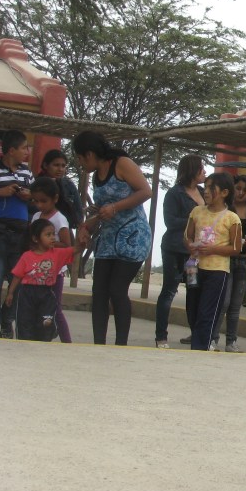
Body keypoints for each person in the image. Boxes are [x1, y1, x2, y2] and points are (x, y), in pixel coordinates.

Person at [74, 131, 153, 346]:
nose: (80, 164)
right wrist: (87, 226)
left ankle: (121, 344)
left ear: (89, 154)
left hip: (132, 237)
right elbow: (102, 211)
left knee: (117, 289)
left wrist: (115, 207)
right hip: (108, 238)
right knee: (99, 290)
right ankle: (98, 342)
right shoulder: (95, 175)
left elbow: (146, 191)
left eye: (80, 158)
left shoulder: (122, 163)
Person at [0, 130, 33, 338]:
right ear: (11, 150)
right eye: (23, 148)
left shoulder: (26, 173)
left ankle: (7, 323)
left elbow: (35, 198)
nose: (27, 152)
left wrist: (28, 195)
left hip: (19, 236)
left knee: (17, 282)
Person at [184, 172, 242, 351]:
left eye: (211, 188)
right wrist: (190, 246)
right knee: (192, 309)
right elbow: (187, 235)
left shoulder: (232, 218)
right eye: (206, 187)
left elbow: (236, 248)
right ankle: (198, 341)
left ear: (224, 192)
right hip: (195, 268)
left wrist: (213, 249)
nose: (206, 192)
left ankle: (201, 347)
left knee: (208, 311)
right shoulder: (196, 211)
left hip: (217, 271)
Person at [155, 155, 205, 348]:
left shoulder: (202, 192)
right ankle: (161, 336)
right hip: (175, 249)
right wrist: (193, 221)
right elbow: (170, 221)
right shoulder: (174, 194)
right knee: (169, 290)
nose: (204, 172)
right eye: (201, 168)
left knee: (194, 291)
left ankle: (195, 334)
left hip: (194, 254)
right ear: (193, 170)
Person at [6, 218, 83, 341]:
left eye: (54, 234)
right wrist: (10, 293)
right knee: (25, 322)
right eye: (48, 235)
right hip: (27, 294)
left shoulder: (57, 253)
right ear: (36, 238)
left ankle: (48, 335)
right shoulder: (27, 256)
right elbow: (17, 276)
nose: (53, 237)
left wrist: (82, 238)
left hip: (46, 293)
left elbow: (76, 249)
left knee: (45, 323)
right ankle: (25, 347)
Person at [211, 174, 246, 352]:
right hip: (227, 259)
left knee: (235, 305)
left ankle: (231, 342)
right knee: (222, 302)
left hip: (245, 260)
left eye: (245, 190)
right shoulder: (226, 209)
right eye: (238, 188)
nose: (241, 193)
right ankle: (213, 339)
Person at [29, 177, 74, 343]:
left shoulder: (59, 219)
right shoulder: (36, 217)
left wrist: (49, 244)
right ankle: (41, 336)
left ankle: (66, 341)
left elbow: (67, 245)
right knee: (37, 306)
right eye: (36, 201)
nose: (39, 205)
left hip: (54, 271)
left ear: (55, 199)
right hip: (37, 270)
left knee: (55, 307)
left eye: (43, 201)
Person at [38, 149, 84, 229]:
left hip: (64, 228)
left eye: (63, 166)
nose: (60, 169)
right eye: (56, 165)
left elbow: (78, 209)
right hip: (41, 228)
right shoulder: (37, 184)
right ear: (45, 165)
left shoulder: (68, 185)